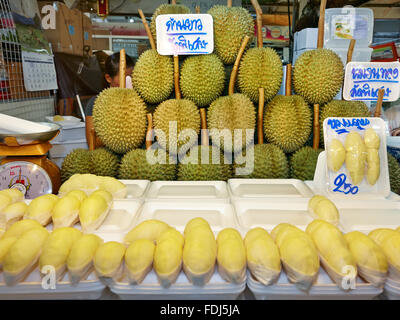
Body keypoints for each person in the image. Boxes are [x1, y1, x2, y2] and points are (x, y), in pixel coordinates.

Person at [85, 52, 135, 150]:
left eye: (132, 76)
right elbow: (93, 143)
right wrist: (120, 128)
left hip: (134, 160)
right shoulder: (95, 103)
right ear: (108, 78)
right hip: (109, 160)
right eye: (124, 77)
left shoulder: (138, 103)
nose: (129, 81)